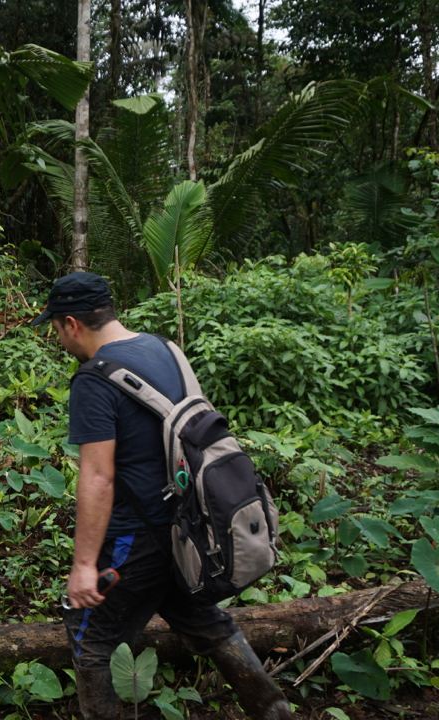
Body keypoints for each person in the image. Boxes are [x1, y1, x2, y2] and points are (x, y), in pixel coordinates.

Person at [36, 272, 293, 720]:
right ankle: (272, 708)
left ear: (71, 323)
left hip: (135, 538)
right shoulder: (164, 349)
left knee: (90, 637)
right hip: (189, 528)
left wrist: (82, 566)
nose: (59, 339)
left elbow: (98, 477)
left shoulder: (94, 380)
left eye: (56, 329)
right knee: (203, 620)